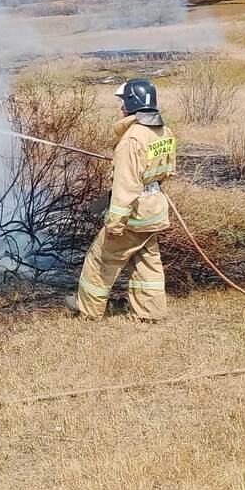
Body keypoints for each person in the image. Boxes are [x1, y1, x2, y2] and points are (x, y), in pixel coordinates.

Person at [68, 78, 177, 320]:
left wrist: (115, 224)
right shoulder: (164, 132)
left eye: (122, 103)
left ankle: (88, 311)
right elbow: (165, 171)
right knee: (146, 261)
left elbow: (125, 189)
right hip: (154, 211)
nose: (120, 108)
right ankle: (151, 313)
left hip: (134, 217)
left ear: (131, 103)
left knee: (99, 261)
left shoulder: (131, 140)